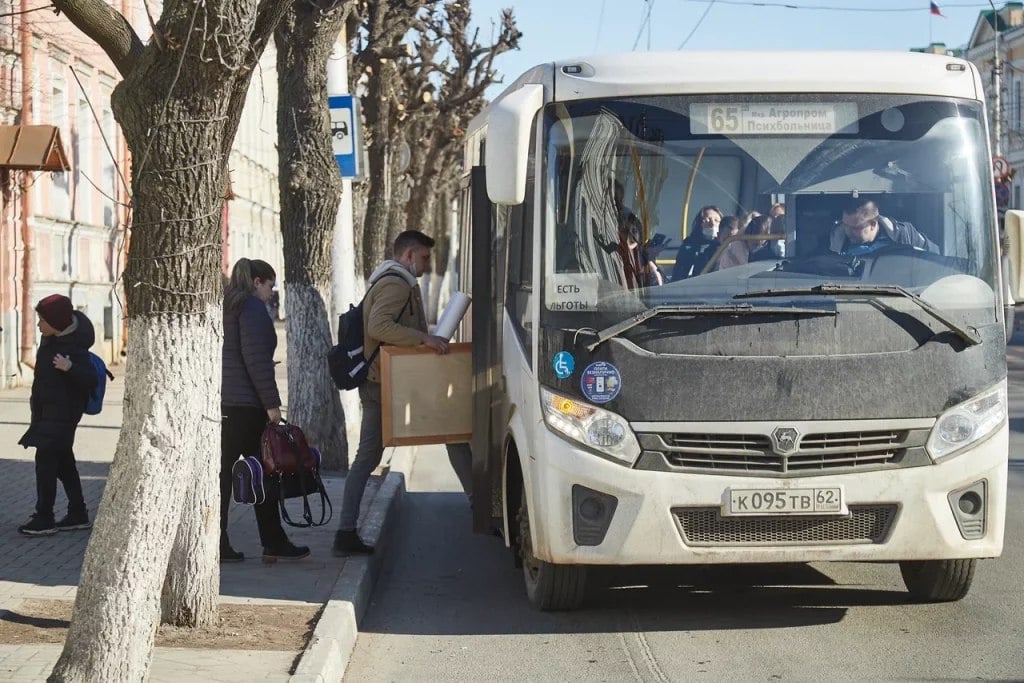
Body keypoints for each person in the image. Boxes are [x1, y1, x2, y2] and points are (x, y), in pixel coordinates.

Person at [333, 230, 450, 557]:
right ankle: (344, 532)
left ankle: (346, 531)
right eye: (425, 257)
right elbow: (378, 327)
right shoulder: (396, 284)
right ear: (409, 255)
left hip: (388, 381)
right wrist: (423, 339)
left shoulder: (396, 281)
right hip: (379, 383)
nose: (428, 263)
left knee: (372, 456)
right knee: (367, 457)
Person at [221, 258, 309, 562]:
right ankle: (273, 541)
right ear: (257, 281)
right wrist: (272, 406)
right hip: (247, 405)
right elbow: (257, 363)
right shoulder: (252, 308)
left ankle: (217, 543)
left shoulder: (226, 305)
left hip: (224, 404)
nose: (272, 292)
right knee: (267, 473)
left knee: (221, 478)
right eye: (270, 284)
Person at [17, 294, 98, 536]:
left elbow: (89, 379)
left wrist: (70, 368)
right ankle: (77, 513)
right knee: (64, 464)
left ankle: (44, 517)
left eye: (43, 321)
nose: (39, 325)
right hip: (47, 413)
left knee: (45, 464)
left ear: (57, 322)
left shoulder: (74, 346)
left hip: (63, 416)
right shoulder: (49, 340)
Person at [828, 198, 938, 256]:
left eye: (855, 228)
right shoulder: (833, 242)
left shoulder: (905, 235)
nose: (848, 231)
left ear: (873, 224)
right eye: (845, 225)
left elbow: (934, 257)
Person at [671, 205, 723, 281]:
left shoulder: (725, 245)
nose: (712, 224)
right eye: (707, 220)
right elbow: (679, 273)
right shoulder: (689, 245)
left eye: (716, 220)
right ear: (699, 224)